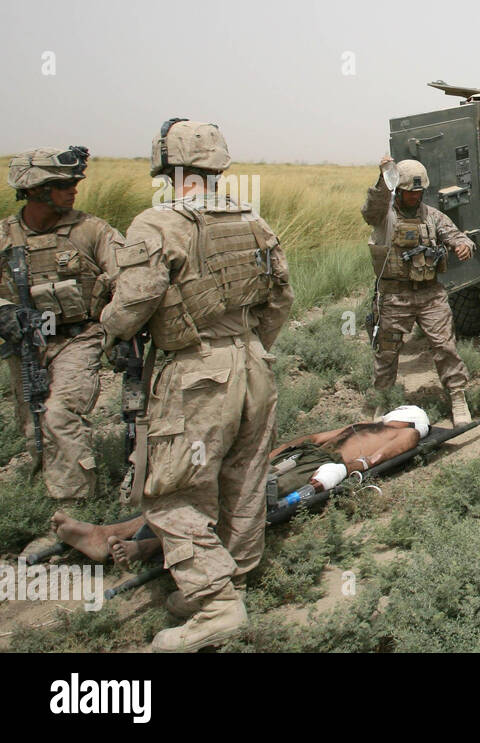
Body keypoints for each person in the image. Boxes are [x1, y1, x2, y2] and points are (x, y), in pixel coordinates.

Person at [98, 118, 293, 652]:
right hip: (254, 364)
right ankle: (235, 576)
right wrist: (252, 345)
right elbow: (281, 298)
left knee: (170, 492)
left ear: (170, 168)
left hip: (195, 372)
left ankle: (215, 603)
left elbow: (133, 304)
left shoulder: (157, 224)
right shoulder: (253, 219)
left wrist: (106, 330)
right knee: (244, 475)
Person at [49, 406, 433, 583]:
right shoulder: (369, 422)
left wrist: (341, 473)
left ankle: (144, 548)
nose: (391, 417)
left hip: (316, 468)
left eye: (398, 415)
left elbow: (382, 455)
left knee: (240, 503)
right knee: (216, 488)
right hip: (306, 457)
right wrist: (271, 454)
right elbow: (315, 438)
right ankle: (111, 533)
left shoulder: (409, 431)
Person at [0, 146, 123, 500]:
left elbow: (127, 279)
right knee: (34, 424)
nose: (73, 189)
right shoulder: (7, 237)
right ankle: (44, 497)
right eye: (62, 183)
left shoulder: (91, 231)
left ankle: (74, 506)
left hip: (78, 338)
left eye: (74, 182)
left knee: (60, 414)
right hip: (29, 345)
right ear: (36, 189)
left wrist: (119, 331)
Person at [361, 155, 475, 425]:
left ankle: (457, 397)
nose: (415, 197)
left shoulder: (433, 217)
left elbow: (457, 236)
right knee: (387, 350)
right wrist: (383, 178)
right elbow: (370, 210)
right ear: (398, 191)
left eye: (419, 192)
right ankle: (381, 401)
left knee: (445, 346)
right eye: (409, 193)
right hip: (394, 296)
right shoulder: (384, 217)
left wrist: (463, 246)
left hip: (430, 296)